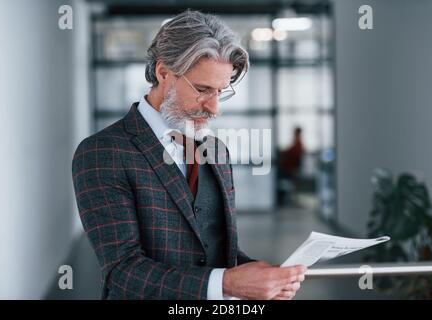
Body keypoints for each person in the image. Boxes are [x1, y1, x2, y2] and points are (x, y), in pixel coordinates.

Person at [72, 10, 306, 300]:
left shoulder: (217, 150)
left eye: (221, 92)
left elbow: (214, 250)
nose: (214, 108)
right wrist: (228, 284)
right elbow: (123, 271)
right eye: (203, 89)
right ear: (163, 73)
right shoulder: (103, 152)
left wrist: (258, 275)